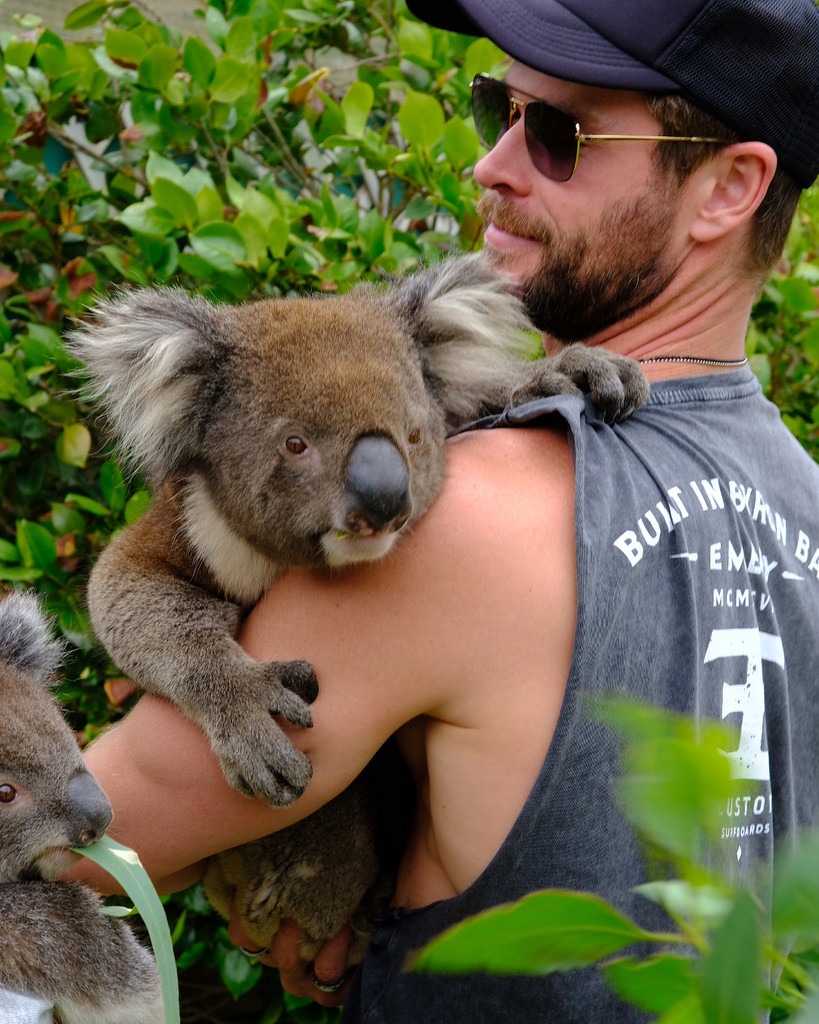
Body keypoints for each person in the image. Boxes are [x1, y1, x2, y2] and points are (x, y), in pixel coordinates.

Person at [77, 1, 819, 1021]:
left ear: (729, 188)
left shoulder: (460, 526)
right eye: (496, 109)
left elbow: (77, 847)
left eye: (562, 135)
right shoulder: (804, 500)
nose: (494, 165)